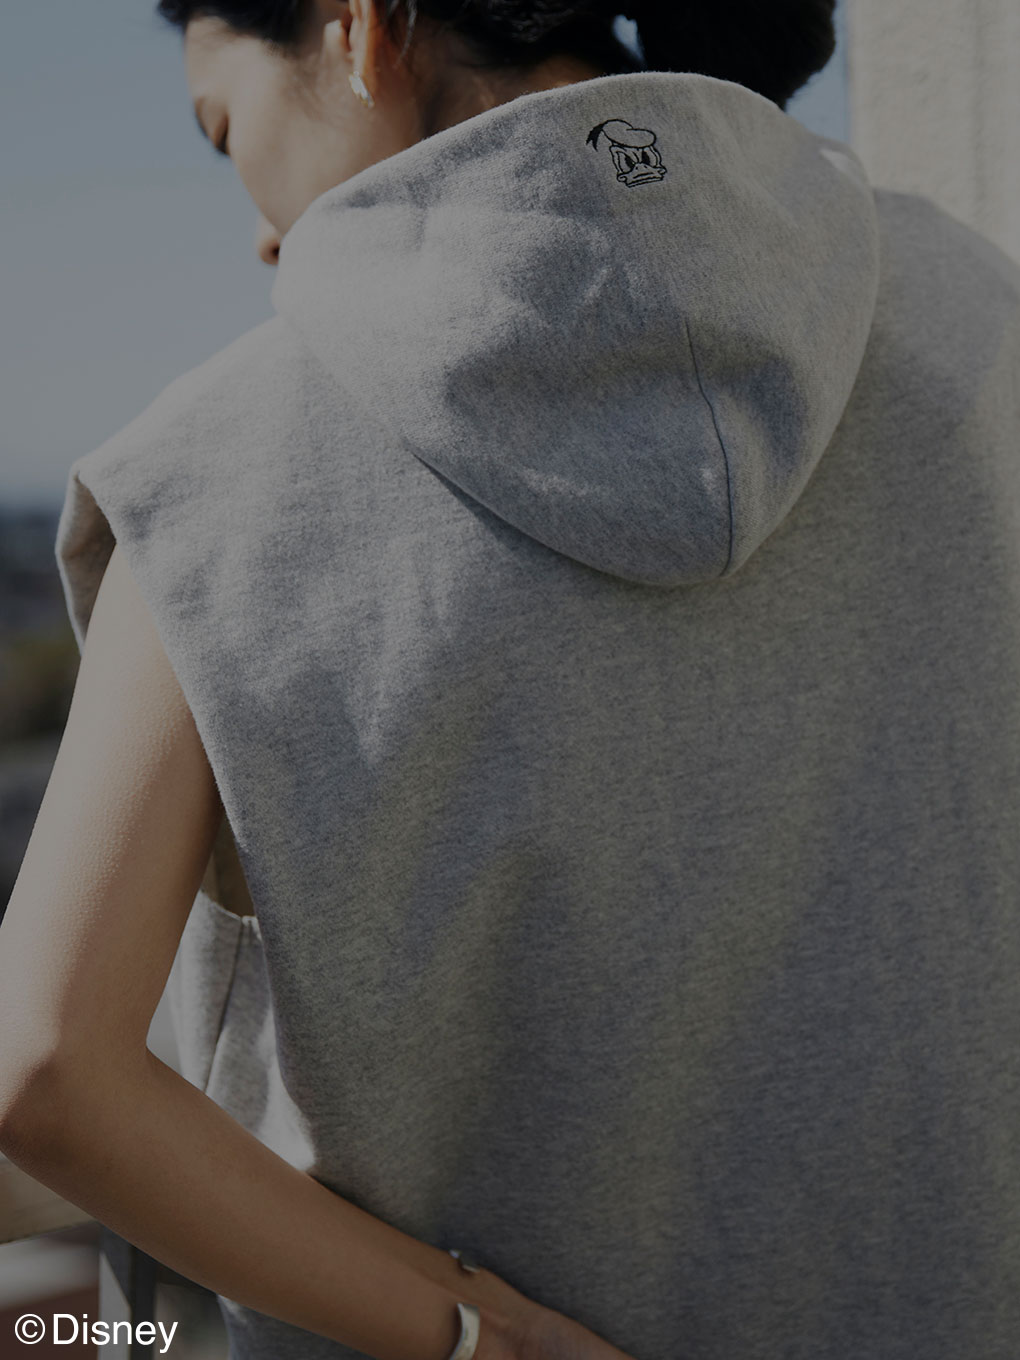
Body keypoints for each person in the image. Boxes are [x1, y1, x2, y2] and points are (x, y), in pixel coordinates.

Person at [1, 0, 1019, 1357]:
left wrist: (481, 1335)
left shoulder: (220, 482)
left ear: (360, 28)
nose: (256, 230)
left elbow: (45, 1071)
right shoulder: (978, 309)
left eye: (223, 130)